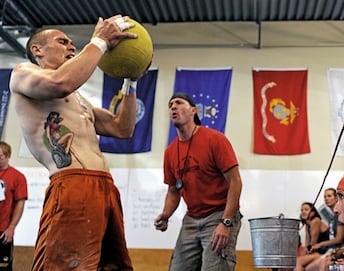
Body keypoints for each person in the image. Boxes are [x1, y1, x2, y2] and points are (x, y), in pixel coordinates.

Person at [9, 15, 144, 270]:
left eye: (72, 43)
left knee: (112, 266)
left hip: (105, 188)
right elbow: (60, 82)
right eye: (63, 42)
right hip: (73, 184)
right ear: (37, 50)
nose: (72, 47)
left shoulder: (78, 99)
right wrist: (100, 41)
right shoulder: (23, 74)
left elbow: (122, 128)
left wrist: (131, 81)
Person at [154, 92, 243, 271]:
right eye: (171, 104)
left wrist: (226, 222)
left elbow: (235, 181)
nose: (173, 107)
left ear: (193, 110)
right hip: (192, 218)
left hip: (218, 214)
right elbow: (173, 190)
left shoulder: (214, 139)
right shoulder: (170, 152)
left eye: (179, 103)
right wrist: (166, 214)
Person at [298, 188, 344, 271]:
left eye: (329, 196)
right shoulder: (332, 218)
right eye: (325, 197)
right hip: (327, 250)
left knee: (299, 262)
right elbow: (307, 244)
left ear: (336, 198)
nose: (326, 198)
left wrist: (320, 244)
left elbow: (339, 239)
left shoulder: (339, 216)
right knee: (301, 263)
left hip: (329, 250)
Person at [0, 141, 28, 271]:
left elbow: (20, 203)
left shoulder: (18, 177)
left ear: (7, 155)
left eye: (0, 156)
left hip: (3, 230)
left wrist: (11, 227)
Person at [295, 202, 330, 271]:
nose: (303, 212)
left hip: (324, 252)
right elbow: (307, 244)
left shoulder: (315, 221)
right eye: (302, 210)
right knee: (295, 261)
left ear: (313, 212)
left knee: (297, 262)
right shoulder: (307, 224)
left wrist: (303, 256)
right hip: (316, 252)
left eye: (306, 209)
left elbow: (313, 244)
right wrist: (301, 255)